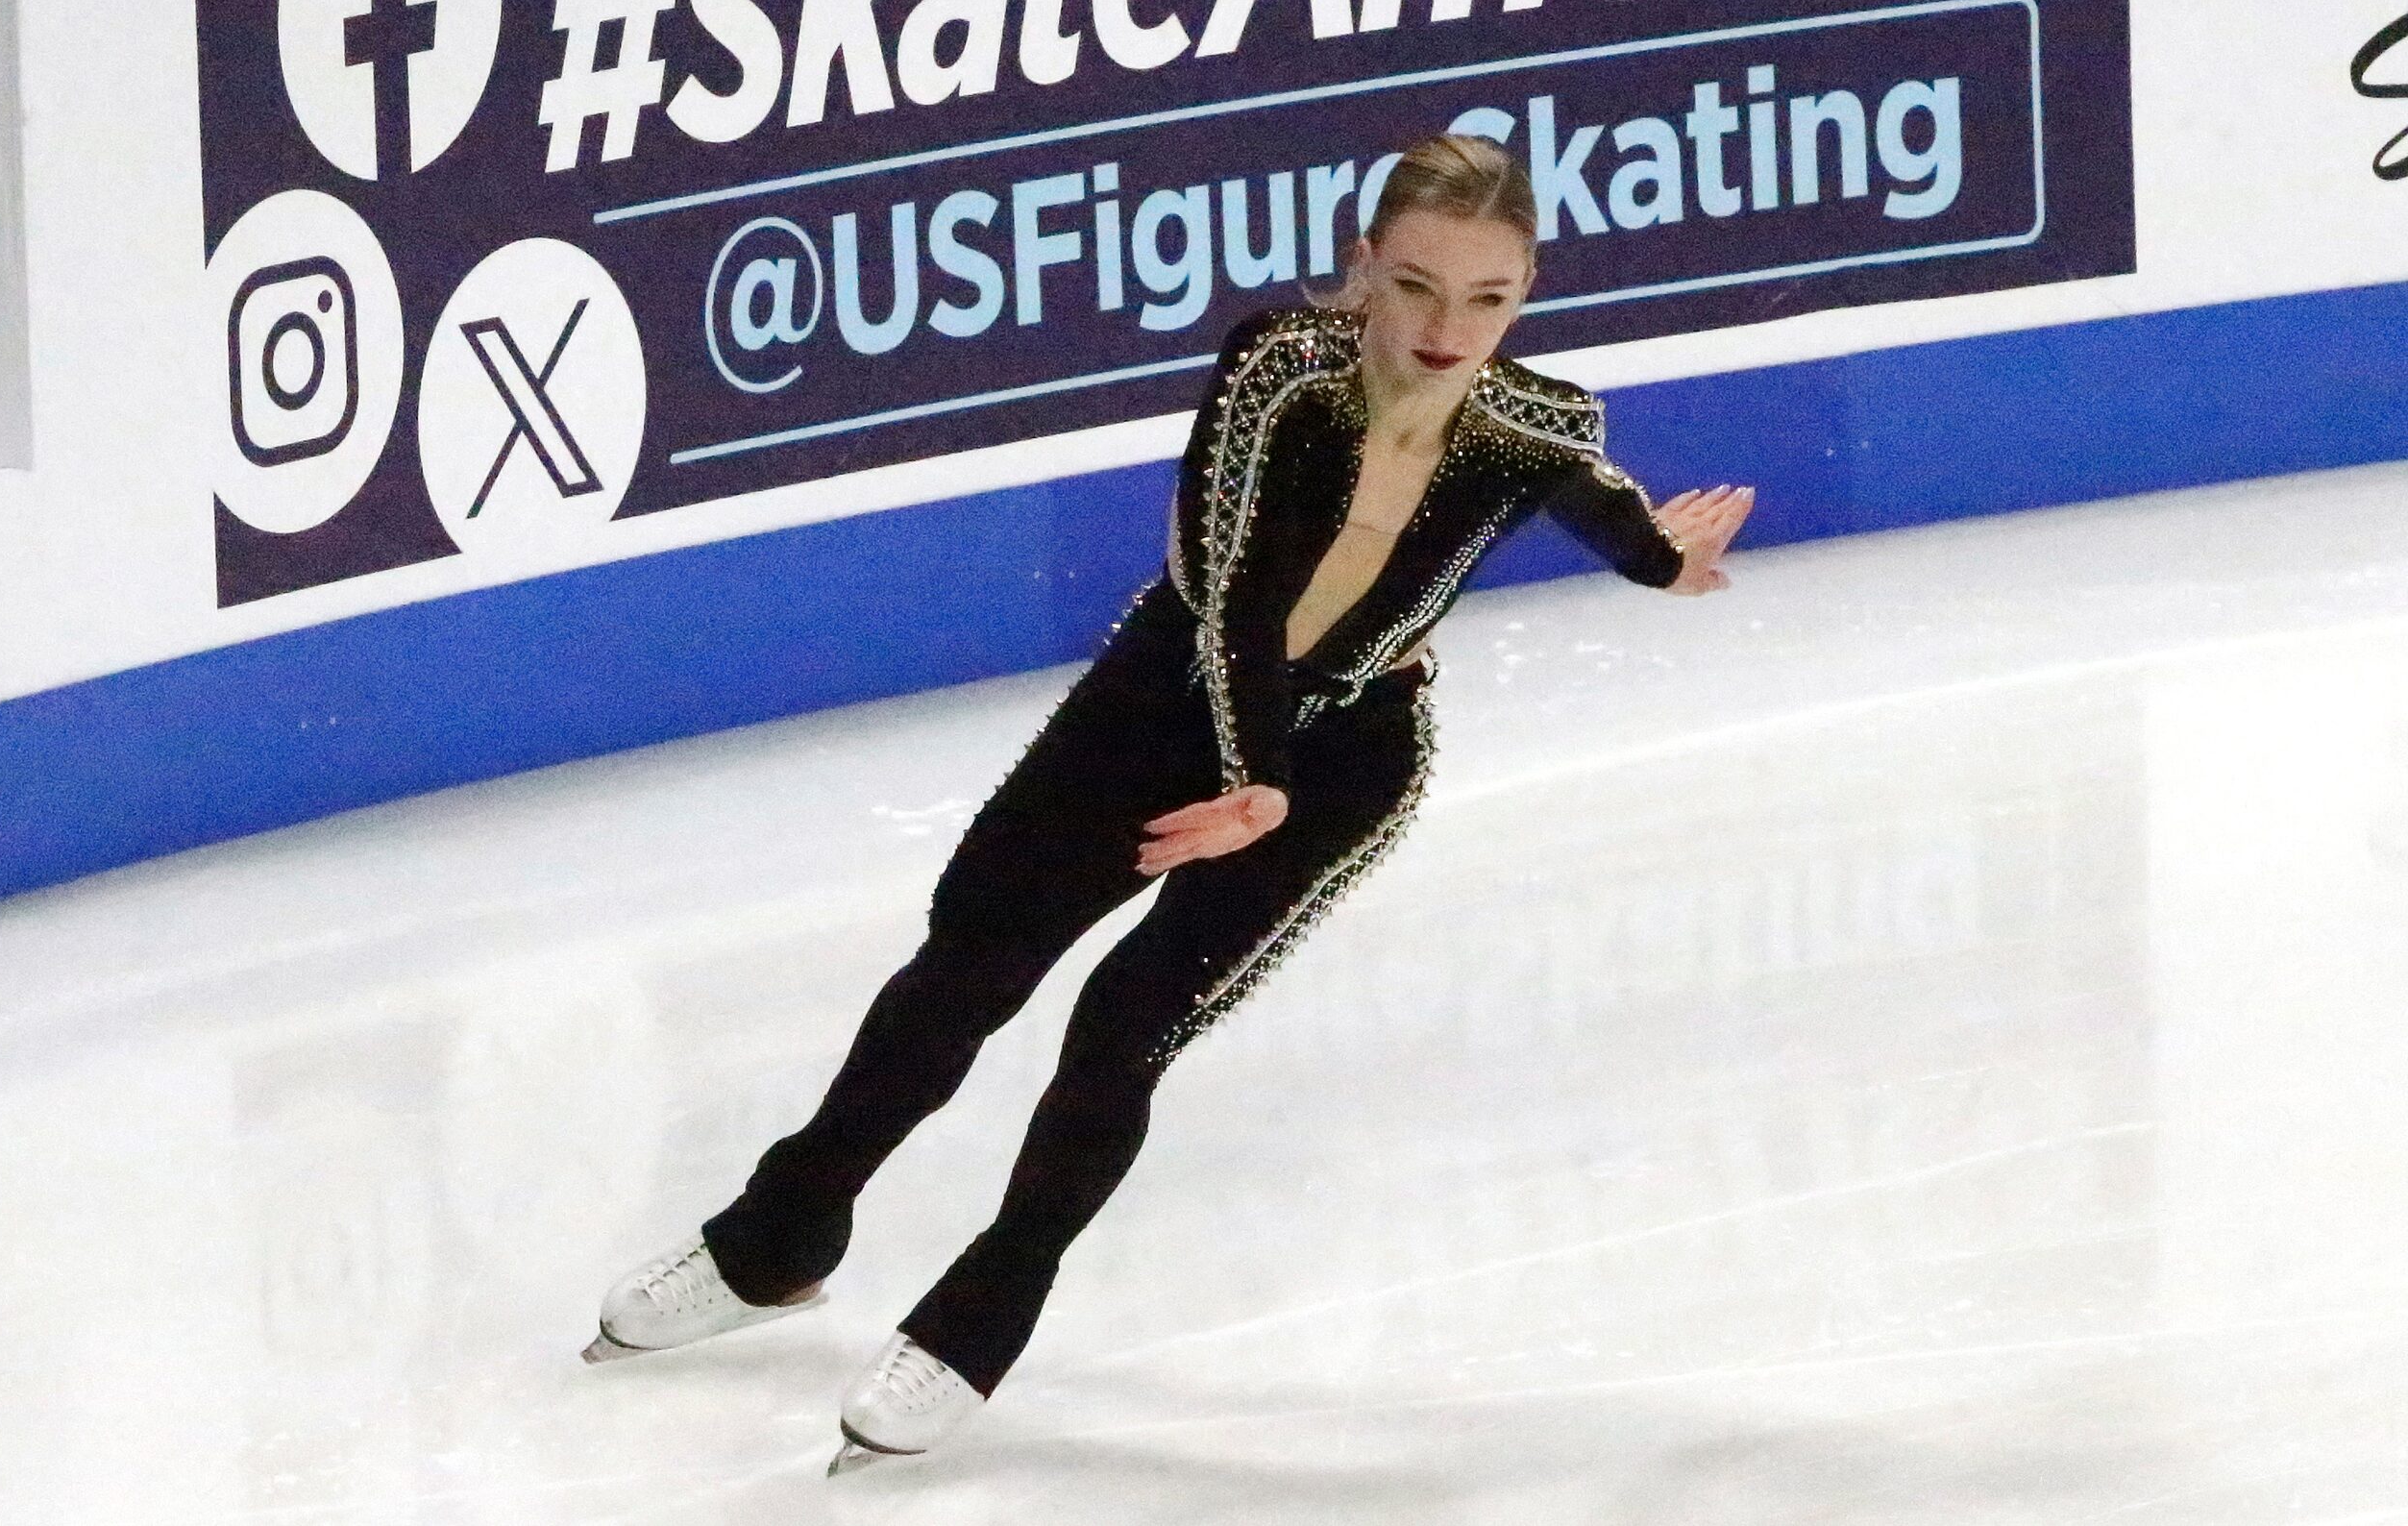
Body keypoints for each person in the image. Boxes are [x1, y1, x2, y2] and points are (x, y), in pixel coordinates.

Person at [578, 133, 1757, 1473]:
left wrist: (1668, 566)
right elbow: (1238, 590)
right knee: (970, 963)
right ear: (1361, 265)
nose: (1446, 329)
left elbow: (1610, 512)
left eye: (1487, 299)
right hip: (1172, 700)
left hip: (1348, 759)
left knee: (1125, 1024)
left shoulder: (1532, 426)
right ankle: (778, 1238)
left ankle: (977, 1320)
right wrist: (1244, 773)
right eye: (1418, 285)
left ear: (1526, 294)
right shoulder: (1277, 374)